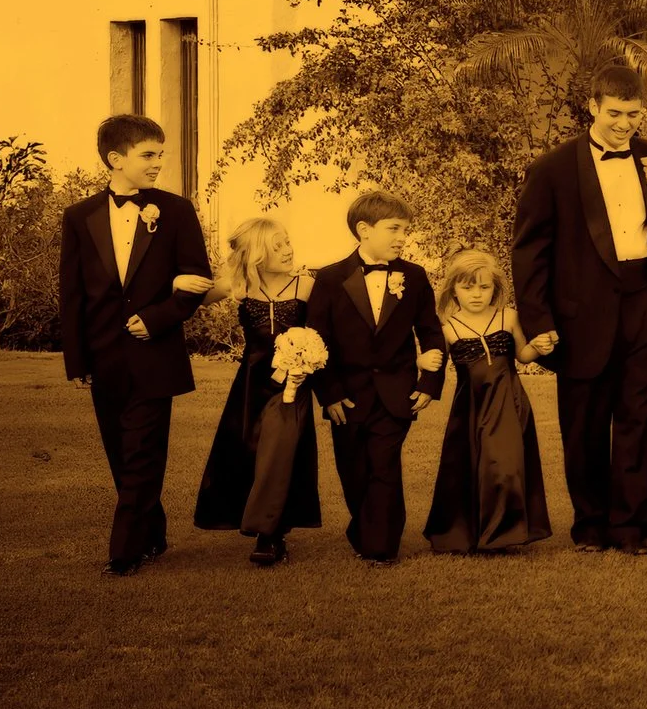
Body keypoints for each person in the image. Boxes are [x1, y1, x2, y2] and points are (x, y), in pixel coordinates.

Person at [512, 63, 647, 553]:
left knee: (638, 418)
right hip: (582, 315)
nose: (625, 124)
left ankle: (629, 526)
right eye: (616, 114)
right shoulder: (553, 168)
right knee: (582, 426)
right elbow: (529, 250)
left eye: (634, 115)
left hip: (644, 301)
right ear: (594, 106)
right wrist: (538, 321)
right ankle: (590, 525)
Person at [58, 114, 215, 576]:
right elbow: (72, 294)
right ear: (115, 159)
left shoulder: (177, 211)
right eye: (149, 155)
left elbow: (195, 282)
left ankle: (123, 551)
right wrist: (78, 359)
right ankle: (152, 531)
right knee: (120, 455)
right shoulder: (79, 217)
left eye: (160, 155)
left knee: (143, 449)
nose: (158, 164)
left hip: (155, 354)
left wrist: (157, 318)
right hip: (104, 356)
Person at [307, 190, 447, 565]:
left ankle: (381, 547)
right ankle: (364, 529)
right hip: (347, 395)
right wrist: (330, 393)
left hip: (396, 392)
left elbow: (431, 333)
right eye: (395, 229)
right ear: (364, 230)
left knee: (384, 465)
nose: (403, 237)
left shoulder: (414, 277)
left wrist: (429, 383)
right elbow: (316, 340)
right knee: (354, 470)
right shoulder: (330, 278)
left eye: (406, 229)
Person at [192, 217, 321, 567]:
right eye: (277, 245)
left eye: (288, 241)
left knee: (280, 455)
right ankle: (258, 523)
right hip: (251, 384)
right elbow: (194, 301)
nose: (288, 249)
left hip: (292, 385)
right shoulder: (240, 286)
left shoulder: (306, 286)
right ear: (258, 253)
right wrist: (181, 280)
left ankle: (271, 535)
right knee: (250, 454)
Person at [423, 248, 555, 554]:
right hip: (470, 407)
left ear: (495, 288)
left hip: (509, 401)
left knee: (505, 464)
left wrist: (540, 346)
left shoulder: (508, 317)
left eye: (484, 287)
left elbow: (523, 356)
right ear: (453, 288)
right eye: (468, 287)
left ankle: (503, 534)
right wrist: (421, 362)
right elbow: (434, 366)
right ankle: (463, 532)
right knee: (469, 468)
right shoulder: (448, 328)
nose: (477, 294)